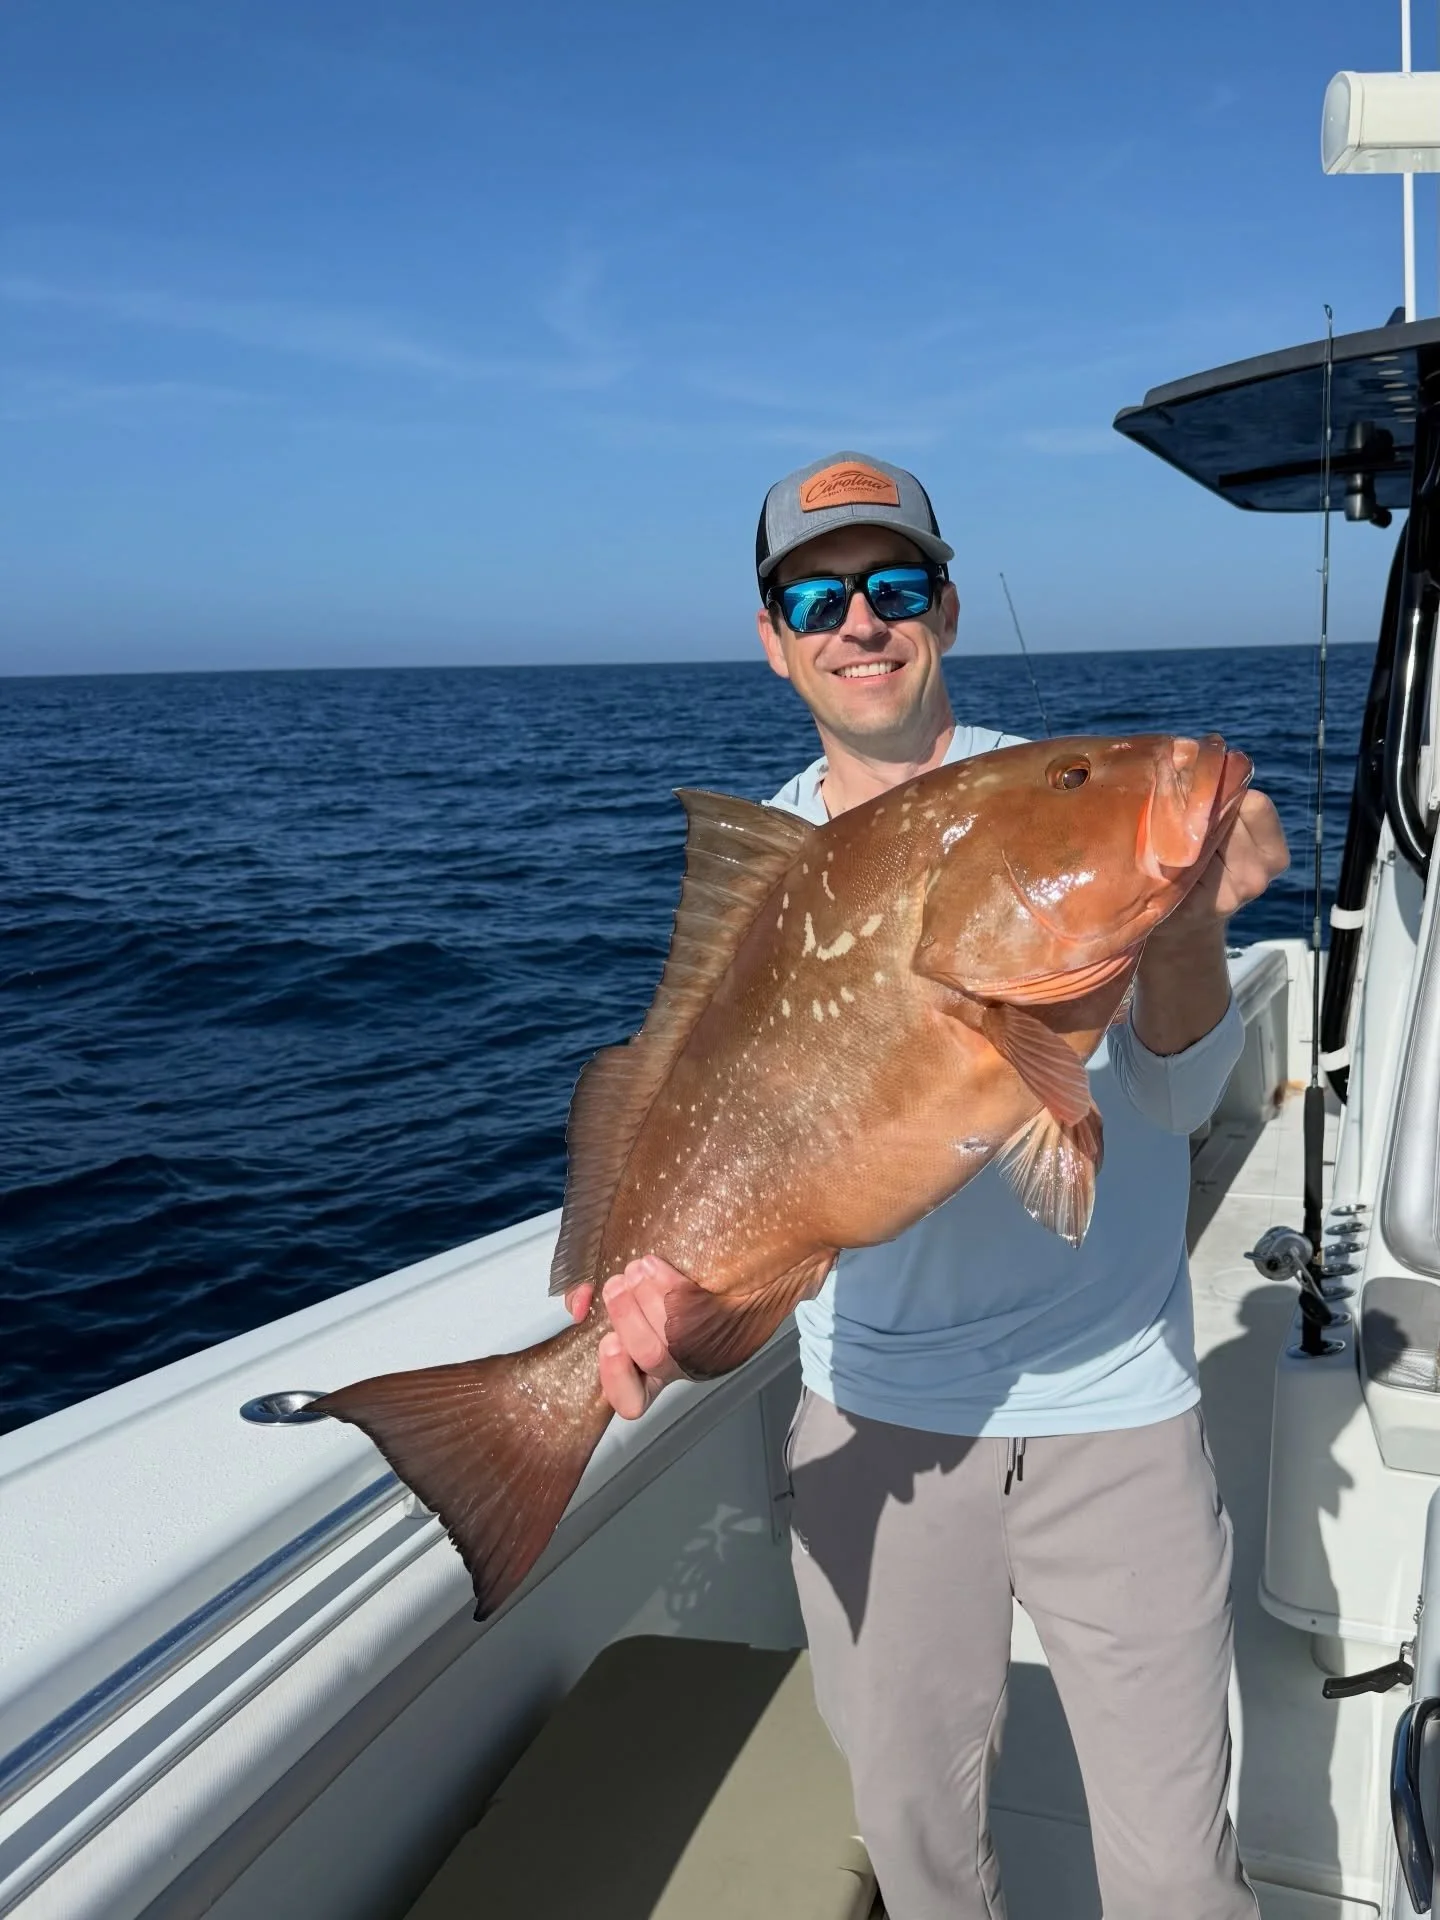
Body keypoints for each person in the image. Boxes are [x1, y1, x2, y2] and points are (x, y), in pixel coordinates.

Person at [566, 452, 1289, 1920]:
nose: (861, 622)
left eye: (895, 587)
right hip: (873, 1419)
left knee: (1180, 1877)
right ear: (773, 638)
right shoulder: (773, 868)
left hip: (1116, 1416)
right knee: (918, 1852)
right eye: (816, 596)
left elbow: (1168, 1096)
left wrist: (1188, 918)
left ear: (944, 607)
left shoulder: (1048, 797)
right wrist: (642, 1284)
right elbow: (692, 1105)